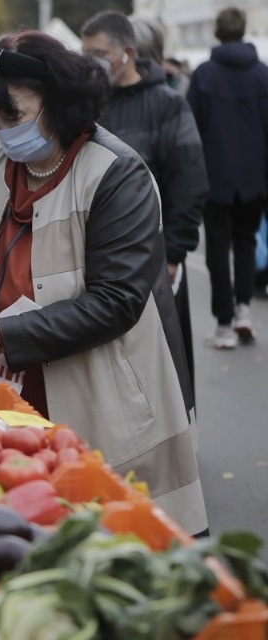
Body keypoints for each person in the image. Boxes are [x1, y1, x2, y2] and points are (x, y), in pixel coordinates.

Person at [0, 33, 207, 535]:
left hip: (93, 389)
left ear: (57, 101)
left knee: (100, 532)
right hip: (3, 383)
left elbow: (116, 302)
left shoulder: (117, 174)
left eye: (13, 118)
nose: (3, 134)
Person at [81, 11, 207, 393]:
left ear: (127, 53)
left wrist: (174, 254)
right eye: (85, 53)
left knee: (163, 362)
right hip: (93, 257)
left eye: (99, 53)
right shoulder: (86, 104)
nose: (91, 63)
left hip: (153, 257)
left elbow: (189, 180)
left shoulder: (167, 104)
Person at [187, 6, 268, 348]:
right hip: (254, 176)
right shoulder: (263, 74)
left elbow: (190, 131)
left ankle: (223, 326)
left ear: (217, 33)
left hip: (214, 176)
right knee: (246, 241)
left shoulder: (204, 75)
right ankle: (244, 309)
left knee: (217, 248)